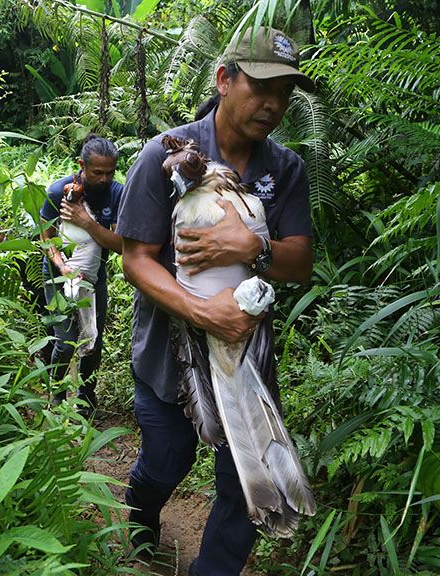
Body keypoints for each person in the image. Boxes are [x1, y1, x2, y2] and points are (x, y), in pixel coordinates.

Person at [116, 27, 315, 575]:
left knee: (239, 484)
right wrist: (204, 312)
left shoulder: (285, 168)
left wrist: (254, 245)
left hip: (244, 358)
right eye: (262, 87)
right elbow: (136, 259)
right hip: (167, 354)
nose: (273, 104)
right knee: (167, 459)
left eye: (285, 93)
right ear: (225, 81)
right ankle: (140, 520)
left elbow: (301, 260)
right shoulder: (165, 156)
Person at [40, 134, 123, 413]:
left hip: (94, 275)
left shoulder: (117, 193)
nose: (104, 179)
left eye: (109, 172)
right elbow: (45, 238)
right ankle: (56, 394)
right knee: (65, 342)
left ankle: (86, 399)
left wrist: (88, 223)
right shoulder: (57, 192)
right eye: (97, 172)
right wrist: (62, 267)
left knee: (93, 339)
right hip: (58, 273)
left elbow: (122, 245)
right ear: (81, 165)